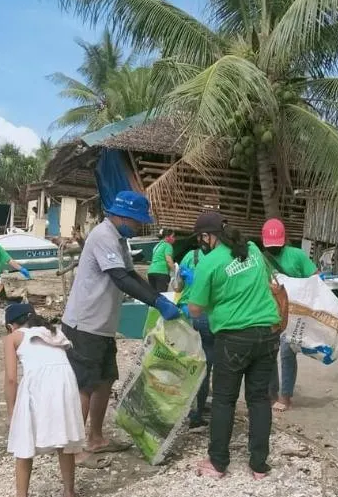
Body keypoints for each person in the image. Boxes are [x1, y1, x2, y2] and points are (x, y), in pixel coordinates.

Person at [61, 191, 180, 464]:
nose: (138, 227)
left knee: (105, 380)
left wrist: (159, 297)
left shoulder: (118, 239)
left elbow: (130, 274)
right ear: (124, 216)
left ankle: (96, 438)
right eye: (137, 221)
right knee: (84, 386)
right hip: (85, 323)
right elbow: (120, 279)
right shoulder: (103, 236)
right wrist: (156, 302)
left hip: (103, 325)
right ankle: (74, 451)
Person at [188, 212, 281, 480]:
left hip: (233, 338)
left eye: (201, 238)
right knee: (259, 399)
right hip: (267, 332)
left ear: (208, 236)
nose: (201, 243)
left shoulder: (208, 263)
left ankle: (218, 462)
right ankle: (259, 465)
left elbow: (195, 309)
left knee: (224, 400)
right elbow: (267, 281)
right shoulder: (252, 248)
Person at [2, 303, 84, 497]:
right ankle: (69, 495)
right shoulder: (54, 332)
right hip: (65, 383)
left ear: (11, 326)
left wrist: (11, 411)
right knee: (64, 438)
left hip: (38, 383)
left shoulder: (13, 337)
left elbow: (11, 379)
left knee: (25, 438)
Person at [261, 218, 319, 413]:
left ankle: (285, 396)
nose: (273, 249)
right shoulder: (261, 259)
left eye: (276, 245)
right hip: (270, 312)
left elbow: (315, 277)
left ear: (284, 240)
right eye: (270, 246)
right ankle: (271, 395)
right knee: (269, 354)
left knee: (287, 352)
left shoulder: (297, 255)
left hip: (294, 312)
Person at [177, 246, 213, 430]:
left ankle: (182, 410)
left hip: (185, 313)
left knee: (187, 363)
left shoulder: (190, 255)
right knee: (204, 364)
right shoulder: (221, 258)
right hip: (206, 313)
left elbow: (177, 286)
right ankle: (196, 415)